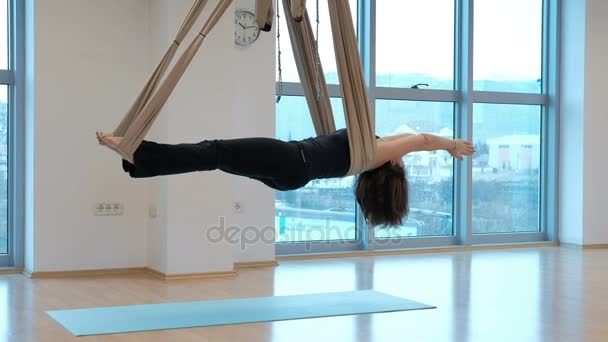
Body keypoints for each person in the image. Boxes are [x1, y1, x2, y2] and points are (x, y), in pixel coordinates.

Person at [96, 129, 476, 227]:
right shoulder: (371, 149)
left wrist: (450, 144)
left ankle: (138, 152)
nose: (403, 158)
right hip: (291, 173)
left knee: (214, 150)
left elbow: (420, 140)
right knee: (214, 156)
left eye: (401, 160)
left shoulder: (372, 154)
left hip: (291, 160)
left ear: (390, 165)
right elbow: (404, 138)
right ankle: (139, 159)